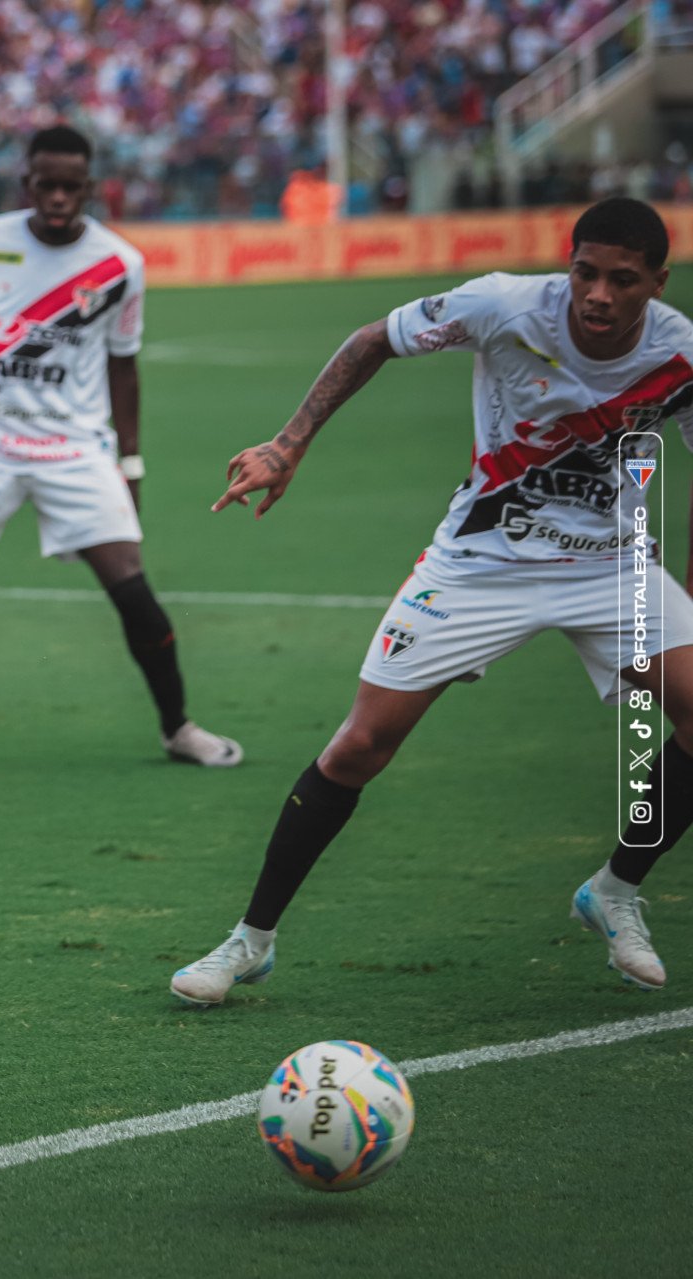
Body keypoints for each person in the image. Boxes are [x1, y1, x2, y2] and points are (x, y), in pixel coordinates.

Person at [170, 198, 693, 1006]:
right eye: (584, 272)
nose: (596, 294)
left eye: (622, 281)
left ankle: (616, 888)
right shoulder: (505, 305)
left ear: (656, 282)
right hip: (480, 561)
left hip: (610, 567)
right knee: (358, 747)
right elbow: (372, 338)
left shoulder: (681, 353)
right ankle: (250, 940)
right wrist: (288, 443)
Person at [0, 126, 241, 775]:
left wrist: (131, 463)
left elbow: (125, 368)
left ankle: (179, 728)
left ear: (90, 187)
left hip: (74, 445)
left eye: (73, 186)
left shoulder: (120, 264)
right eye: (48, 185)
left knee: (130, 584)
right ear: (28, 183)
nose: (60, 197)